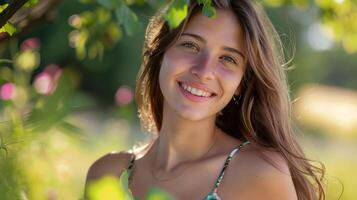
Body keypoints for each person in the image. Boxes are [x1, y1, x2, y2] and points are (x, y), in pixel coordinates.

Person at [84, 0, 325, 199]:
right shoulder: (106, 174)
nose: (204, 70)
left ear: (241, 83)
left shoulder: (259, 174)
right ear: (160, 53)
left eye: (228, 59)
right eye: (190, 45)